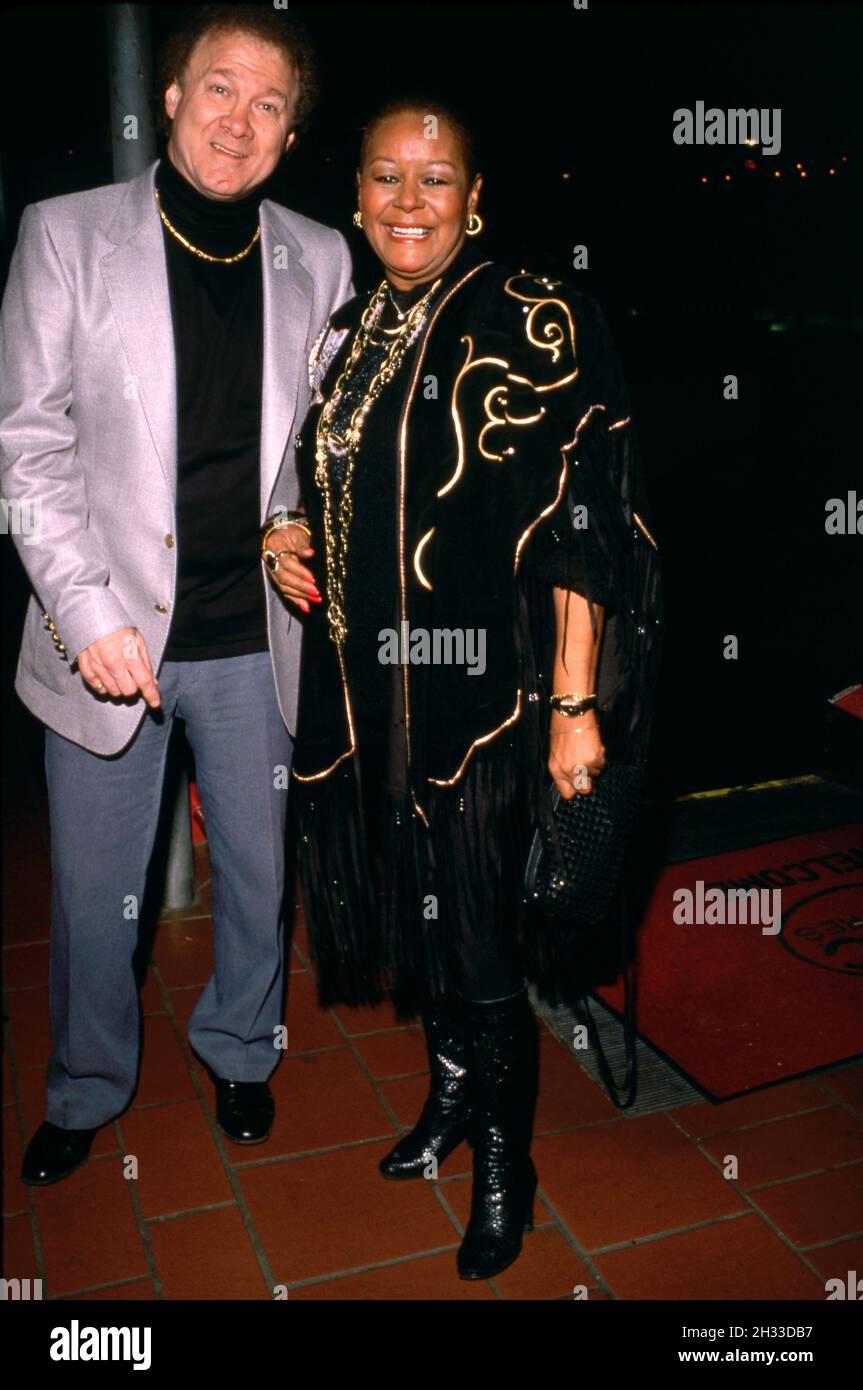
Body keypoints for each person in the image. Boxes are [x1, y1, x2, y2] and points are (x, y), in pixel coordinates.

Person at [265, 99, 660, 1279]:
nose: (406, 199)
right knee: (419, 922)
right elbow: (320, 468)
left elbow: (585, 527)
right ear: (355, 196)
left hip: (486, 709)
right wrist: (289, 528)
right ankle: (447, 1094)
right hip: (368, 701)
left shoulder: (535, 317)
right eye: (385, 175)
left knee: (479, 941)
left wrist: (575, 711)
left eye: (434, 178)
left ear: (475, 197)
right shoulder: (348, 329)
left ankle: (505, 1161)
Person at [0, 7, 352, 1184]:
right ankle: (88, 1085)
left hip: (257, 641)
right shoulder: (65, 234)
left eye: (266, 104)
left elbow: (312, 443)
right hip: (107, 640)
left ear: (291, 131)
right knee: (100, 894)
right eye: (217, 90)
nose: (236, 121)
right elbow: (28, 449)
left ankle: (243, 1052)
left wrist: (300, 513)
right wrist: (88, 615)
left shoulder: (324, 256)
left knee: (259, 873)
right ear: (169, 96)